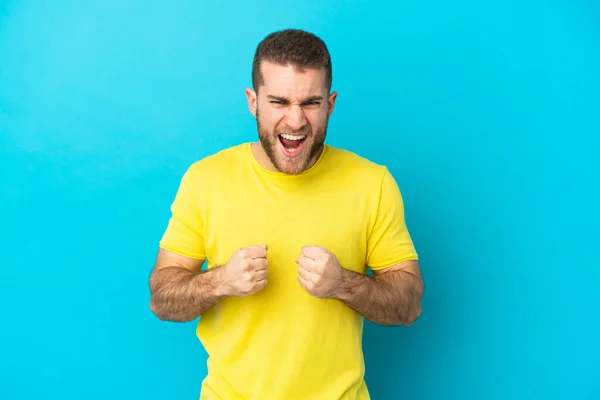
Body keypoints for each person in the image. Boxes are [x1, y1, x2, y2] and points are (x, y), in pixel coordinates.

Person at [149, 28, 424, 400]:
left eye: (310, 103)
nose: (295, 122)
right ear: (253, 101)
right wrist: (221, 282)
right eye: (278, 101)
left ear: (331, 103)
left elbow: (409, 305)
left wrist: (342, 283)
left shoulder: (372, 183)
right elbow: (162, 299)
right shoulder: (205, 180)